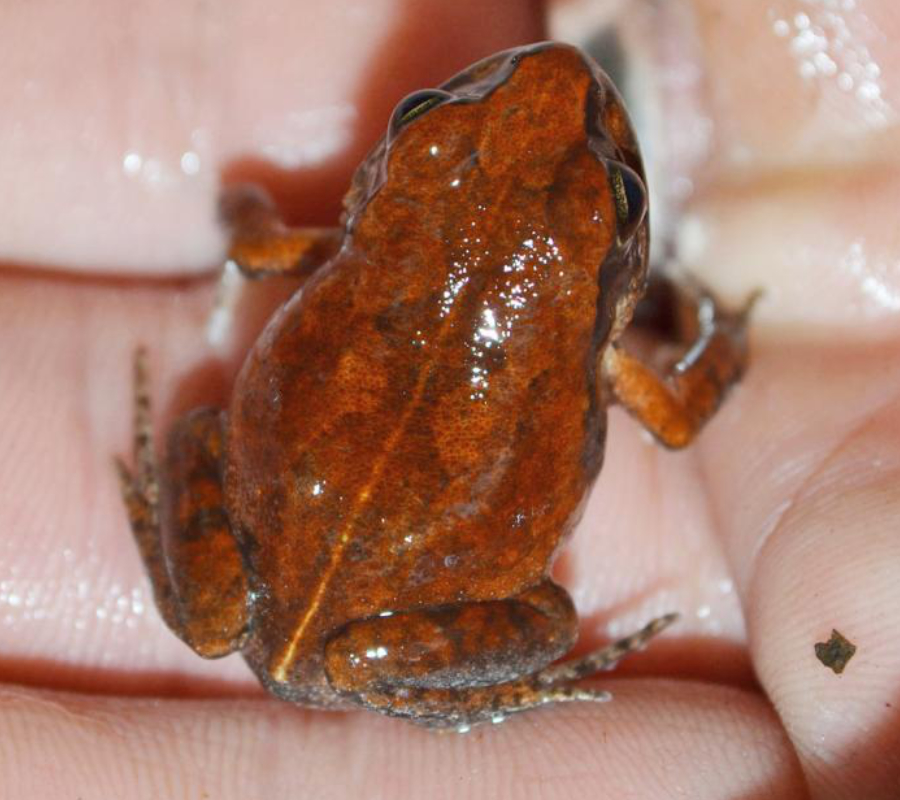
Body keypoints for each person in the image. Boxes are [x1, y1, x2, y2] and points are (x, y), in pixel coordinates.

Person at [0, 0, 897, 796]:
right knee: (546, 620)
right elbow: (683, 412)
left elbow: (252, 241)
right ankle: (450, 687)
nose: (556, 84)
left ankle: (384, 671)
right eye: (423, 116)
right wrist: (726, 342)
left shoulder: (333, 251)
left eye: (613, 194)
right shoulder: (607, 363)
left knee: (201, 430)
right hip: (358, 620)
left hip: (255, 589)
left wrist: (241, 202)